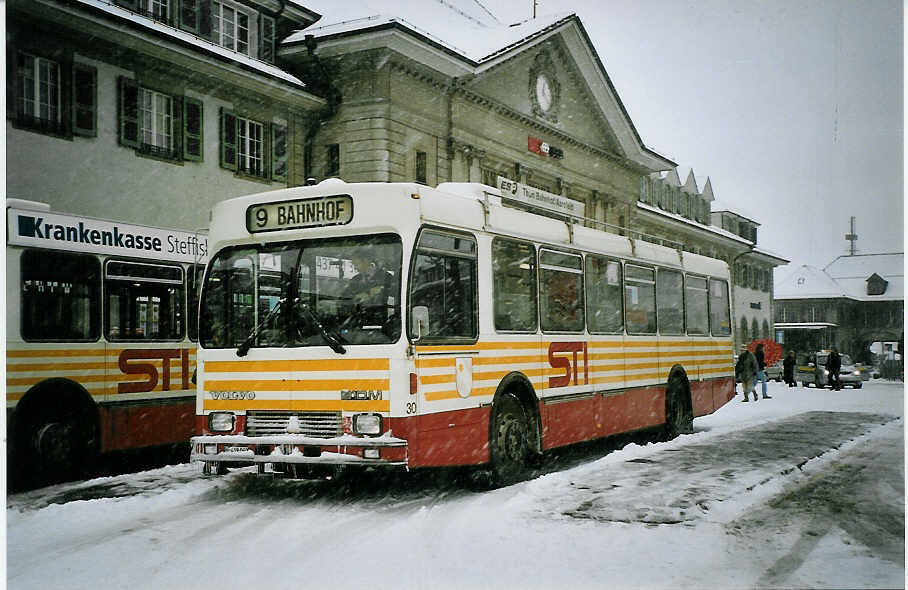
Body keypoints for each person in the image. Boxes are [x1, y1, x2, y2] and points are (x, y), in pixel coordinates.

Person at [347, 248, 396, 326]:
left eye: (356, 264)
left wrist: (372, 293)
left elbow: (395, 294)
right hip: (359, 324)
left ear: (366, 261)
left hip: (381, 323)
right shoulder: (355, 280)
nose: (355, 268)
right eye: (354, 265)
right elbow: (347, 298)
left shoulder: (386, 277)